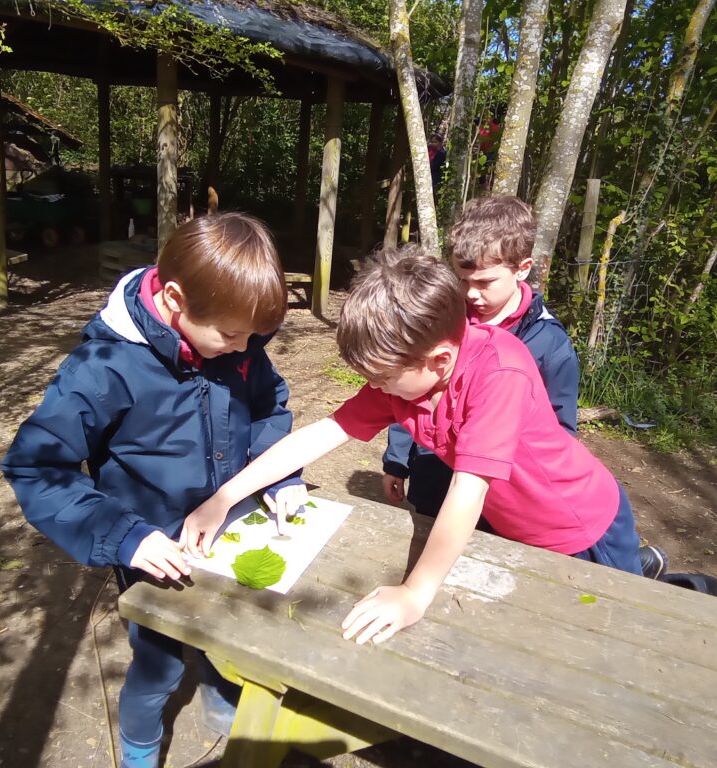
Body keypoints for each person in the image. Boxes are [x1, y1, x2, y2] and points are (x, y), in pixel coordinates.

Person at [180, 247, 645, 646]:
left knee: (623, 631)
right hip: (516, 530)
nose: (375, 387)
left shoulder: (499, 372)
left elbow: (469, 490)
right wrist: (224, 498)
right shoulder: (407, 374)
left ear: (439, 359)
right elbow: (323, 433)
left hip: (582, 528)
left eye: (381, 377)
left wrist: (415, 592)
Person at [1, 213, 307, 768]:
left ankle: (220, 700)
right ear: (174, 299)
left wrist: (278, 473)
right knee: (159, 661)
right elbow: (35, 467)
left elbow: (267, 407)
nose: (245, 347)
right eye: (233, 336)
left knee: (229, 633)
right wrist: (124, 536)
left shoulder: (233, 340)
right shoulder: (104, 368)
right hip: (153, 543)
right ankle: (140, 749)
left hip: (228, 528)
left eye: (252, 337)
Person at [382, 196, 578, 518]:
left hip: (501, 495)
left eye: (485, 282)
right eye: (462, 279)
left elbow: (560, 433)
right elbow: (411, 390)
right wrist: (397, 460)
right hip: (433, 476)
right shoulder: (446, 318)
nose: (471, 293)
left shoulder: (549, 343)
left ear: (523, 269)